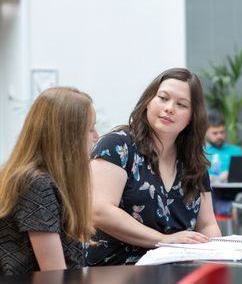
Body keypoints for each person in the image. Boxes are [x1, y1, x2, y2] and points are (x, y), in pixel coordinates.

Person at [86, 68, 221, 266]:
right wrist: (163, 240)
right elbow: (99, 211)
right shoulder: (117, 145)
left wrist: (216, 254)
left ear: (193, 116)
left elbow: (207, 225)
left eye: (181, 104)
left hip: (178, 270)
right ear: (148, 101)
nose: (169, 108)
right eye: (163, 98)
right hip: (118, 270)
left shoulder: (194, 161)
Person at [0, 87, 99, 275]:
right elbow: (54, 273)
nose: (96, 136)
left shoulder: (41, 179)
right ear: (66, 136)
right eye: (90, 129)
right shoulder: (35, 185)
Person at [204, 111, 242, 215]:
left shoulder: (236, 150)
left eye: (222, 132)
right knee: (208, 195)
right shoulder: (200, 152)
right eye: (215, 133)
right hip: (214, 192)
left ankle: (236, 206)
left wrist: (231, 174)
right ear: (205, 132)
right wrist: (208, 177)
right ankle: (233, 208)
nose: (219, 136)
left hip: (237, 190)